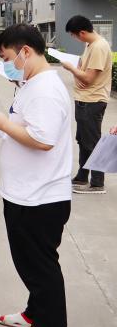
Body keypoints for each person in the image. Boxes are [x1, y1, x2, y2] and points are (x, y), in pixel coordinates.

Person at [0, 24, 73, 327]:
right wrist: (0, 123)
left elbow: (43, 140)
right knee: (28, 260)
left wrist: (3, 124)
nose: (7, 65)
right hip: (26, 190)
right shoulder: (31, 84)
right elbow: (23, 128)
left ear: (26, 51)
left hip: (40, 195)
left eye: (8, 58)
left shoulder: (45, 89)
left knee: (39, 264)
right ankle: (36, 312)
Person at [60, 15, 113, 194]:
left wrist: (71, 68)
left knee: (92, 143)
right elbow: (83, 70)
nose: (75, 38)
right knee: (83, 141)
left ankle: (97, 183)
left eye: (74, 35)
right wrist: (77, 72)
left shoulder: (98, 47)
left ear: (82, 32)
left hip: (93, 100)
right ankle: (82, 177)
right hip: (85, 99)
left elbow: (88, 78)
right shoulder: (90, 44)